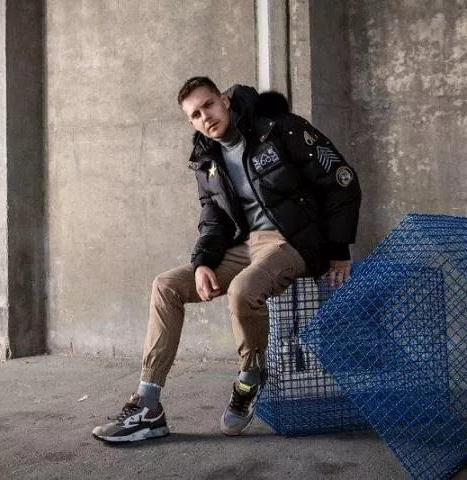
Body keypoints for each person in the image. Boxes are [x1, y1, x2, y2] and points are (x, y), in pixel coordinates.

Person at [92, 77, 361, 443]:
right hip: (247, 245)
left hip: (294, 240)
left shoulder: (279, 129)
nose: (205, 117)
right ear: (191, 122)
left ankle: (249, 378)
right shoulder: (206, 159)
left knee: (242, 291)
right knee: (166, 286)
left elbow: (341, 180)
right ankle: (148, 406)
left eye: (209, 105)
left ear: (225, 101)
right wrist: (202, 262)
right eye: (195, 114)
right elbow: (213, 218)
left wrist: (339, 250)